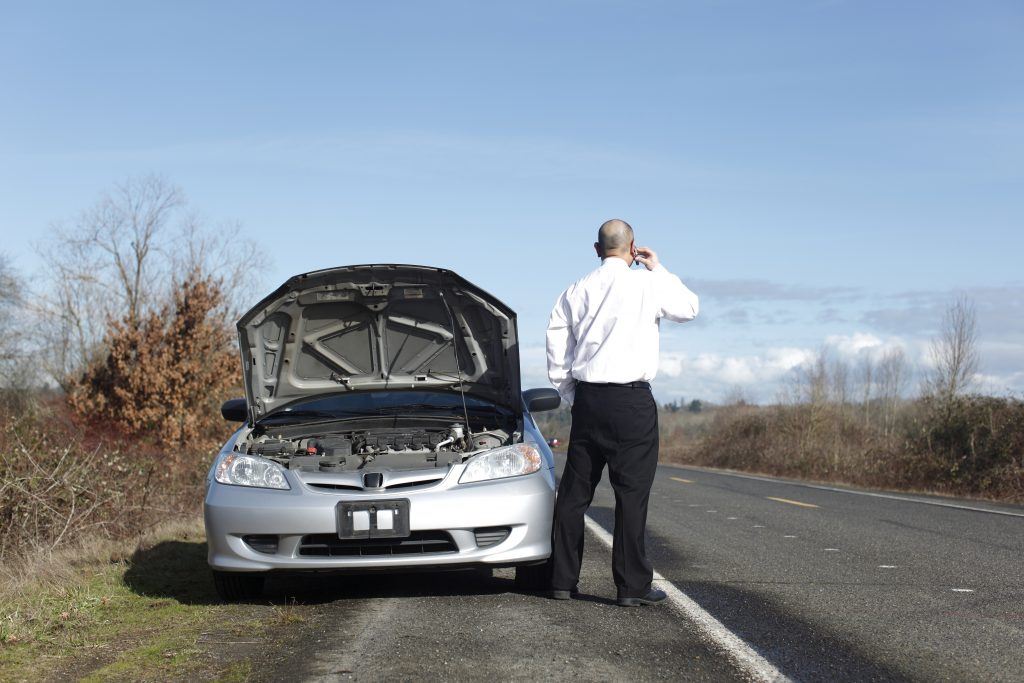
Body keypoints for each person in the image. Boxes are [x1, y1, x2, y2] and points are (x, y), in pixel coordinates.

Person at [545, 219, 699, 606]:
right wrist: (657, 267)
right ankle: (631, 587)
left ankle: (561, 581)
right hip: (632, 402)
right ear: (633, 249)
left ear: (597, 250)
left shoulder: (575, 290)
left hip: (589, 400)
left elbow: (556, 346)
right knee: (631, 495)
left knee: (574, 494)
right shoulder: (648, 283)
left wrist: (571, 393)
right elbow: (689, 308)